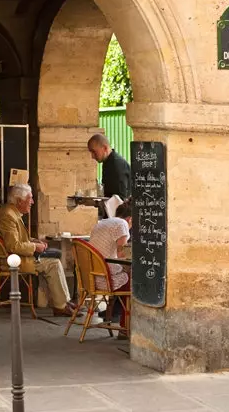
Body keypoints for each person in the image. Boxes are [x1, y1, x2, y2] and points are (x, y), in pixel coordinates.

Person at [0, 184, 74, 317]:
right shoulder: (8, 216)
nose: (32, 202)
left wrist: (34, 241)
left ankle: (64, 301)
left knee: (54, 258)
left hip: (15, 257)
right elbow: (13, 246)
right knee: (53, 264)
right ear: (19, 200)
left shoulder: (11, 212)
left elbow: (17, 238)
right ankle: (61, 306)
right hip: (12, 260)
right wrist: (35, 247)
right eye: (30, 199)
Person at [88, 199, 132, 330]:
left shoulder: (101, 223)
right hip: (105, 278)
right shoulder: (122, 224)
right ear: (130, 219)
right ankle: (126, 327)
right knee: (134, 282)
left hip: (92, 276)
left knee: (126, 274)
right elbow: (122, 253)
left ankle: (112, 313)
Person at [87, 134, 131, 199]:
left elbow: (120, 199)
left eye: (94, 151)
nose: (92, 156)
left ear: (105, 148)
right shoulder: (107, 162)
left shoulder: (116, 164)